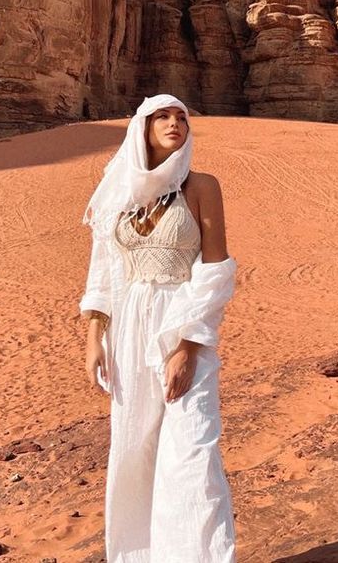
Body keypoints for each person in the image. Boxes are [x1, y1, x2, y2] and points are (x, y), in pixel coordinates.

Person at [79, 93, 238, 563]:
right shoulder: (119, 193)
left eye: (182, 117)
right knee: (134, 450)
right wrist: (94, 340)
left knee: (193, 451)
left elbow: (215, 271)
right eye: (162, 116)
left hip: (182, 322)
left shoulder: (202, 186)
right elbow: (104, 273)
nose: (175, 123)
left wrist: (187, 345)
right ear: (142, 127)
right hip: (127, 329)